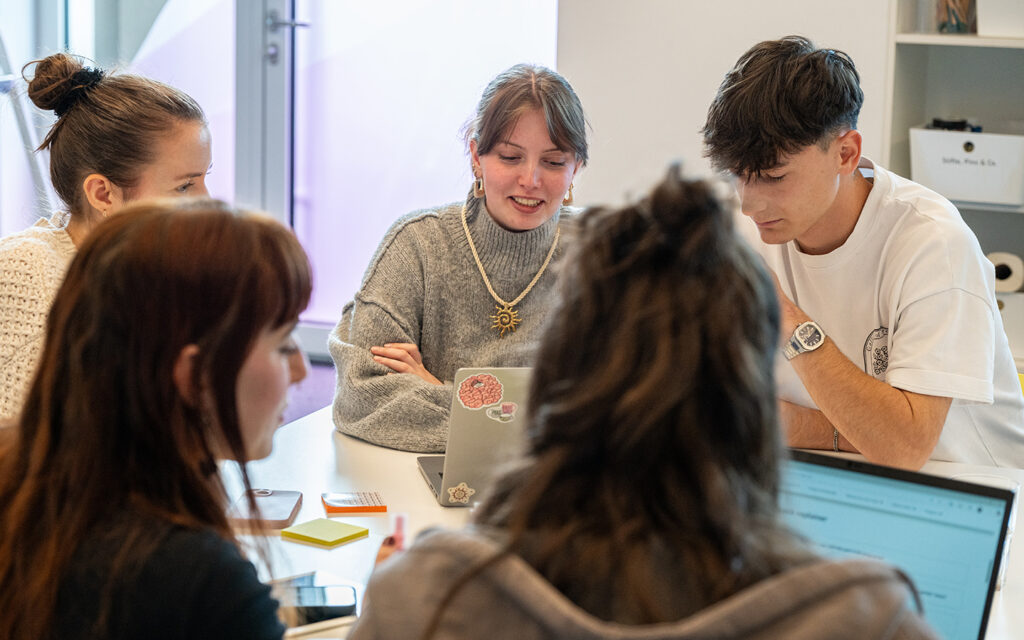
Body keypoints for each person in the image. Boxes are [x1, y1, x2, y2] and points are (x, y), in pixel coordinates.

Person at [348, 167, 938, 640]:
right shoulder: (865, 619)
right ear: (750, 407)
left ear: (558, 381)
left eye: (553, 161)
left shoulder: (426, 598)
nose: (531, 178)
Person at [702, 36, 1024, 469]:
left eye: (774, 177)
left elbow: (904, 447)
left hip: (974, 496)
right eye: (737, 176)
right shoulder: (745, 230)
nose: (749, 203)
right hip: (829, 479)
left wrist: (789, 322)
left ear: (846, 153)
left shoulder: (933, 242)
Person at [0, 200, 312, 640]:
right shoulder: (196, 580)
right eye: (282, 345)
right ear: (194, 376)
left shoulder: (21, 474)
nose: (299, 372)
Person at [329, 63, 587, 452]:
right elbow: (360, 398)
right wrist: (529, 424)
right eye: (510, 157)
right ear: (475, 157)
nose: (531, 179)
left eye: (553, 162)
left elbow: (622, 407)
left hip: (558, 490)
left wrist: (442, 391)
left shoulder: (604, 253)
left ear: (576, 168)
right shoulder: (416, 245)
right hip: (412, 485)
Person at [0, 52, 212, 422]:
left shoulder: (152, 267)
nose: (207, 202)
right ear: (102, 194)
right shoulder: (28, 274)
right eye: (184, 187)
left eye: (205, 178)